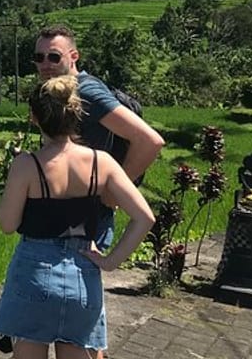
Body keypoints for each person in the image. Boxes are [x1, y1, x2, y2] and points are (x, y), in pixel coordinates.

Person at [0, 75, 155, 358]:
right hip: (83, 272)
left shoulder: (26, 164)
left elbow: (7, 225)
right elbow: (144, 218)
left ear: (34, 117)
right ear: (77, 113)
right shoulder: (100, 162)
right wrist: (110, 262)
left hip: (33, 271)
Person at [33, 25, 164, 251]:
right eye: (39, 57)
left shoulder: (87, 92)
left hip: (88, 218)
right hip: (67, 214)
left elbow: (150, 141)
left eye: (54, 57)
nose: (45, 64)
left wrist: (113, 193)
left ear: (74, 56)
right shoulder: (58, 93)